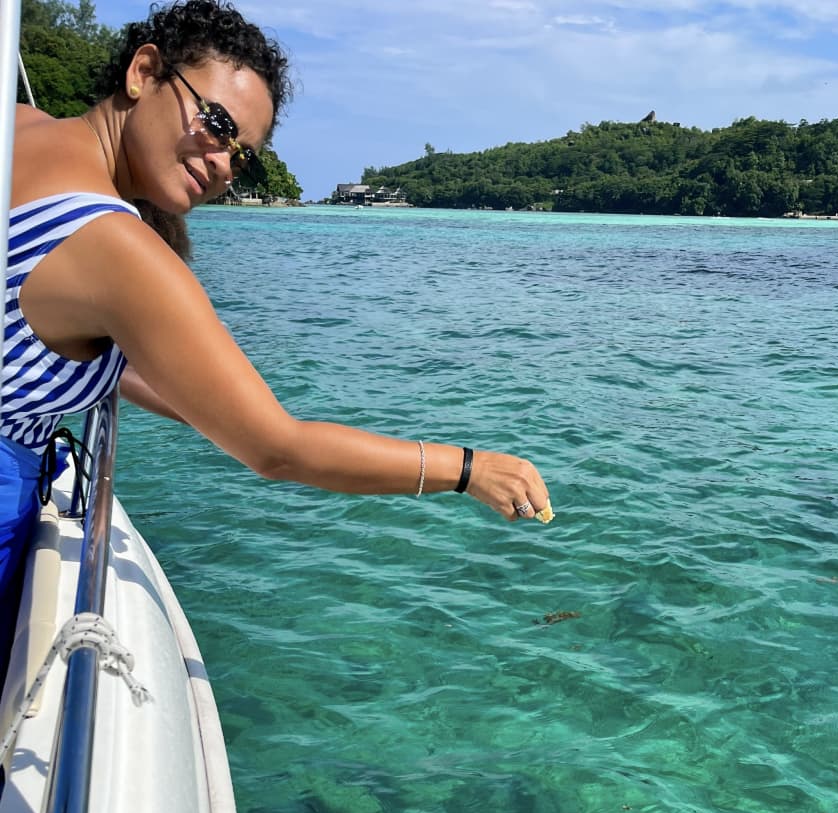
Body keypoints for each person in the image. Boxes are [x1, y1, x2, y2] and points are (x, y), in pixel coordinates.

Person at [2, 0, 550, 620]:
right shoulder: (116, 246)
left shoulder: (16, 124)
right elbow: (276, 449)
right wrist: (469, 470)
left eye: (241, 154)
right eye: (215, 122)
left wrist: (209, 407)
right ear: (144, 72)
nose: (222, 165)